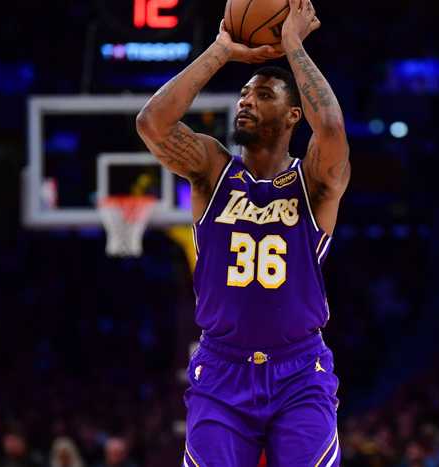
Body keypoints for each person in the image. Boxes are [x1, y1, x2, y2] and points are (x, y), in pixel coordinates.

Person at [136, 0, 350, 463]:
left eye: (264, 95)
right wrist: (221, 49)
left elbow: (332, 127)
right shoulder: (213, 170)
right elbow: (151, 124)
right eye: (244, 94)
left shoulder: (313, 182)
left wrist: (292, 43)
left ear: (293, 116)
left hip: (299, 372)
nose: (246, 101)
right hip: (221, 368)